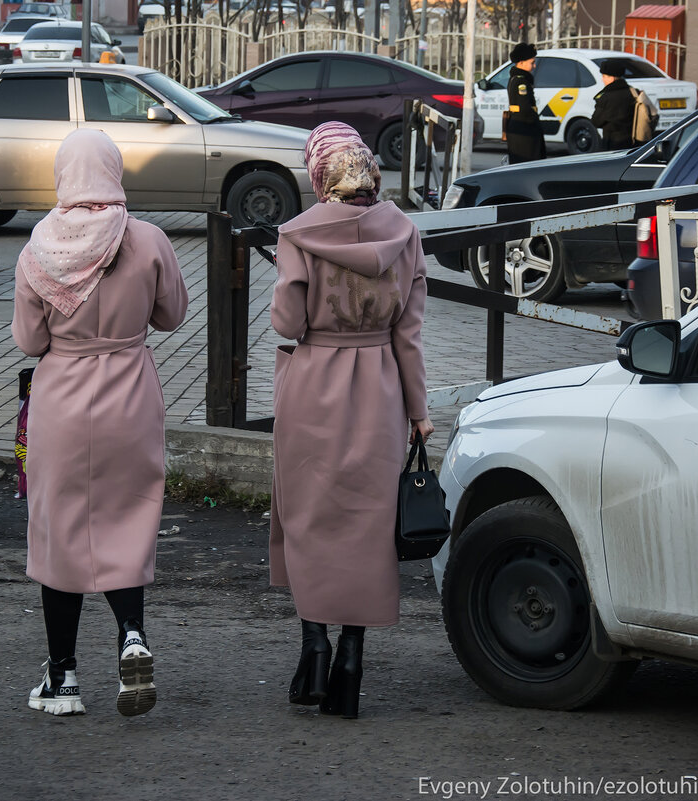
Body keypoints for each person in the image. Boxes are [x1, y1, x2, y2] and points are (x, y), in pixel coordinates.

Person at [12, 129, 189, 718]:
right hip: (131, 396)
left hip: (62, 400)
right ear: (114, 171)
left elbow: (29, 339)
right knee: (125, 521)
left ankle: (62, 678)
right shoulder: (147, 239)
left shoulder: (39, 247)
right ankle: (132, 636)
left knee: (60, 532)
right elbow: (172, 316)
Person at [269, 121, 432, 719]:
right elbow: (409, 335)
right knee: (368, 526)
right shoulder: (406, 234)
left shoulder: (297, 235)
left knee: (310, 517)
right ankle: (351, 662)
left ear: (320, 176)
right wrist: (420, 412)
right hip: (380, 388)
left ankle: (314, 647)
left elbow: (286, 322)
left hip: (313, 385)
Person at [505, 42, 546, 163]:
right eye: (532, 63)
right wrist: (535, 124)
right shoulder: (520, 82)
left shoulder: (520, 79)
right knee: (527, 163)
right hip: (524, 129)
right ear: (521, 63)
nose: (534, 66)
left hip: (522, 126)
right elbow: (525, 108)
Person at [591, 59, 635, 151]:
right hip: (632, 142)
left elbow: (596, 121)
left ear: (612, 78)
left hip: (611, 143)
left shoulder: (606, 97)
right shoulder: (632, 92)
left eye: (604, 76)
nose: (602, 79)